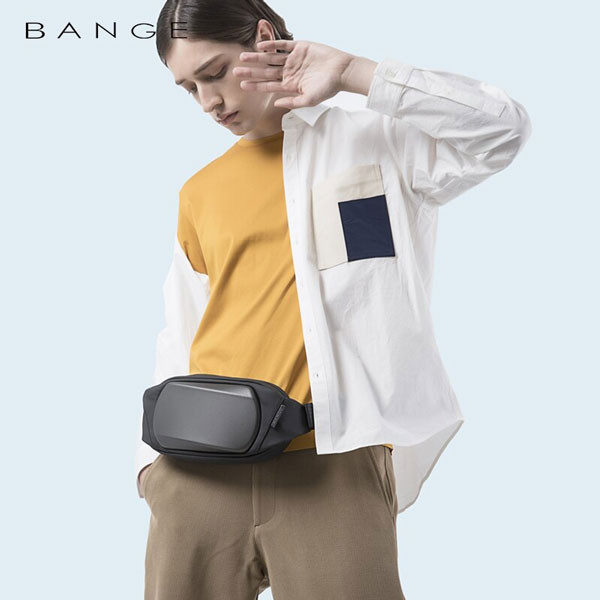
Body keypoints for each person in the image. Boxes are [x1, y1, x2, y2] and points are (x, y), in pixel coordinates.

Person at [135, 1, 532, 598]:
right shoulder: (200, 191)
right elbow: (181, 332)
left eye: (214, 73)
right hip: (196, 474)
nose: (209, 102)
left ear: (264, 38)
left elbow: (502, 129)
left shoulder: (376, 140)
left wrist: (353, 72)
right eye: (190, 89)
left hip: (333, 467)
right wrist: (149, 468)